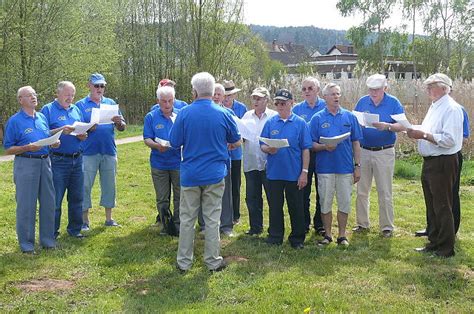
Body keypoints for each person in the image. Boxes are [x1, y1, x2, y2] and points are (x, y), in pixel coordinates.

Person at [170, 72, 241, 272]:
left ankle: (184, 262)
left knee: (187, 219)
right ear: (213, 91)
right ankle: (212, 261)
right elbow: (236, 141)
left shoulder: (184, 113)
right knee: (212, 219)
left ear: (194, 92)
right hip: (215, 173)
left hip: (191, 174)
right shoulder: (224, 113)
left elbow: (174, 143)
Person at [408, 73, 463, 258]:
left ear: (444, 88)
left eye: (432, 86)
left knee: (442, 204)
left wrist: (422, 136)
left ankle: (446, 248)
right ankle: (434, 241)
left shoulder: (451, 109)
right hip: (431, 160)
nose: (428, 90)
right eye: (427, 86)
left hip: (443, 161)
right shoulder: (435, 106)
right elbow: (429, 130)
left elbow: (450, 139)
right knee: (431, 203)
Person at [3, 86, 59, 253]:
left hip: (45, 162)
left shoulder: (41, 117)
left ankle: (48, 241)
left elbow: (46, 137)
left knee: (49, 203)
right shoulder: (14, 121)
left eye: (34, 94)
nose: (34, 97)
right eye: (29, 95)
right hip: (26, 163)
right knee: (27, 205)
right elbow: (8, 149)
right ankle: (27, 245)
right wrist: (27, 147)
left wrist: (54, 142)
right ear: (21, 100)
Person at [309, 83, 362, 247]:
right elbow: (310, 144)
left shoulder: (349, 116)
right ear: (324, 97)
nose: (336, 97)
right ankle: (328, 235)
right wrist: (324, 147)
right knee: (325, 202)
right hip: (325, 168)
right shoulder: (317, 118)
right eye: (332, 94)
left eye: (338, 93)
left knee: (344, 201)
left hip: (345, 167)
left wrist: (358, 165)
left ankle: (342, 235)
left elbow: (356, 143)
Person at [353, 74, 405, 238]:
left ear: (385, 88)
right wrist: (358, 124)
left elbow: (402, 125)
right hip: (364, 150)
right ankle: (362, 223)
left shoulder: (393, 102)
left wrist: (388, 126)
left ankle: (387, 227)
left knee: (384, 190)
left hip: (384, 151)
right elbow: (354, 120)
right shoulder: (362, 102)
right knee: (362, 190)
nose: (373, 93)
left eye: (377, 90)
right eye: (371, 90)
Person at [260, 89, 311, 249]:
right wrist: (268, 149)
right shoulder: (270, 122)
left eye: (283, 103)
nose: (280, 106)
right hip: (274, 172)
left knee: (296, 206)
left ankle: (297, 239)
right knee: (275, 206)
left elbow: (305, 148)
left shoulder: (300, 123)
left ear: (291, 103)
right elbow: (262, 144)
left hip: (293, 173)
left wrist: (304, 172)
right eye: (277, 103)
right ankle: (275, 235)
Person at [76, 73, 126, 230]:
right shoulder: (80, 105)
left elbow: (122, 127)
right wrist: (88, 127)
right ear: (89, 85)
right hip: (88, 152)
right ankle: (84, 220)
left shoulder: (111, 103)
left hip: (109, 150)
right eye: (96, 85)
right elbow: (75, 128)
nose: (99, 89)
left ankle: (109, 218)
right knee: (85, 185)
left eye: (102, 86)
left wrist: (119, 122)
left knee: (109, 184)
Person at [415, 103, 470, 237]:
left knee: (449, 194)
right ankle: (432, 228)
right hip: (433, 156)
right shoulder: (435, 108)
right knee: (433, 196)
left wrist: (428, 135)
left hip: (450, 155)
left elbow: (461, 135)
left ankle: (452, 229)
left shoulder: (455, 109)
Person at [41, 81, 87, 239]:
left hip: (77, 159)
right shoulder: (48, 109)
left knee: (77, 197)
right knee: (55, 199)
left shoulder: (76, 109)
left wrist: (82, 135)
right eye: (67, 95)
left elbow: (81, 129)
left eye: (73, 95)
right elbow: (42, 132)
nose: (70, 98)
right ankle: (52, 233)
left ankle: (75, 230)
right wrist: (61, 130)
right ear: (58, 93)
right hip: (58, 161)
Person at [143, 85, 181, 236]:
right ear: (158, 101)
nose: (167, 105)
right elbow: (147, 138)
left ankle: (178, 225)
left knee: (180, 196)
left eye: (170, 101)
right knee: (162, 197)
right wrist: (157, 146)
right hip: (159, 163)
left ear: (174, 100)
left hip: (178, 162)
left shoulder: (180, 115)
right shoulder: (151, 117)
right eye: (163, 101)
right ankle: (166, 225)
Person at [292, 76, 326, 235]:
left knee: (322, 190)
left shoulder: (326, 107)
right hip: (304, 155)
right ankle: (304, 223)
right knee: (303, 190)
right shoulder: (297, 109)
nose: (306, 91)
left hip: (323, 154)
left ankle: (319, 223)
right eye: (304, 89)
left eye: (310, 88)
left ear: (318, 90)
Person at [241, 87, 277, 236]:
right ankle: (255, 227)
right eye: (254, 98)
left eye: (259, 98)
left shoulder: (273, 116)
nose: (255, 101)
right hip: (251, 163)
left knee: (272, 197)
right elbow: (241, 136)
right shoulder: (246, 116)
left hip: (269, 164)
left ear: (266, 100)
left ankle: (274, 228)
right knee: (252, 197)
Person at [222, 80, 247, 224]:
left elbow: (244, 131)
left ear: (234, 95)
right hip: (222, 152)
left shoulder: (241, 108)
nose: (227, 98)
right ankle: (224, 213)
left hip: (236, 152)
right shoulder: (218, 109)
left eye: (229, 95)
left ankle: (235, 214)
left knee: (235, 184)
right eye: (225, 95)